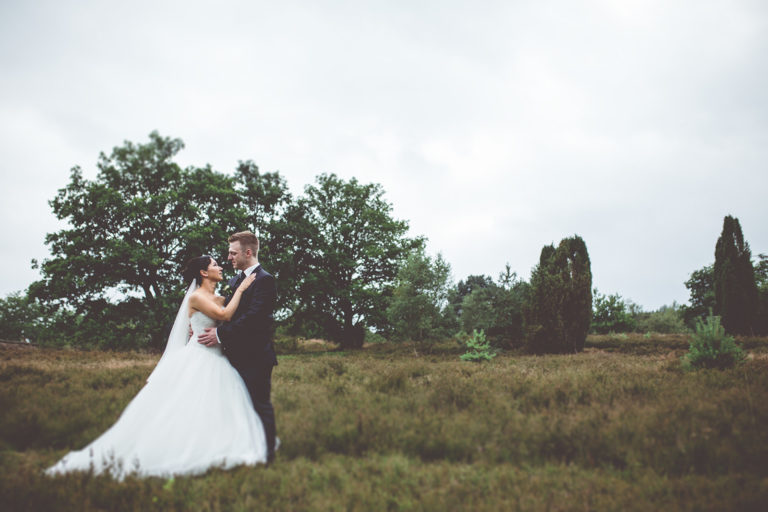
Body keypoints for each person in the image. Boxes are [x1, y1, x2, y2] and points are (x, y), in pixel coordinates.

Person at [46, 255, 267, 479]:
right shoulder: (196, 297)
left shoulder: (217, 297)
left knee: (215, 408)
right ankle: (179, 448)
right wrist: (241, 290)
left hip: (219, 359)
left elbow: (229, 315)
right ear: (203, 272)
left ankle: (217, 446)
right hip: (199, 358)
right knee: (187, 407)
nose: (220, 267)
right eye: (214, 265)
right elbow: (224, 314)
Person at [197, 231, 279, 463]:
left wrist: (220, 334)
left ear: (248, 252)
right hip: (231, 356)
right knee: (235, 407)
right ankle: (243, 450)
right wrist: (202, 325)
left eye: (233, 253)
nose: (229, 257)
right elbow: (226, 313)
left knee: (258, 405)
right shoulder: (235, 281)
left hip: (255, 357)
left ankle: (267, 456)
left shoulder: (265, 280)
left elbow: (254, 318)